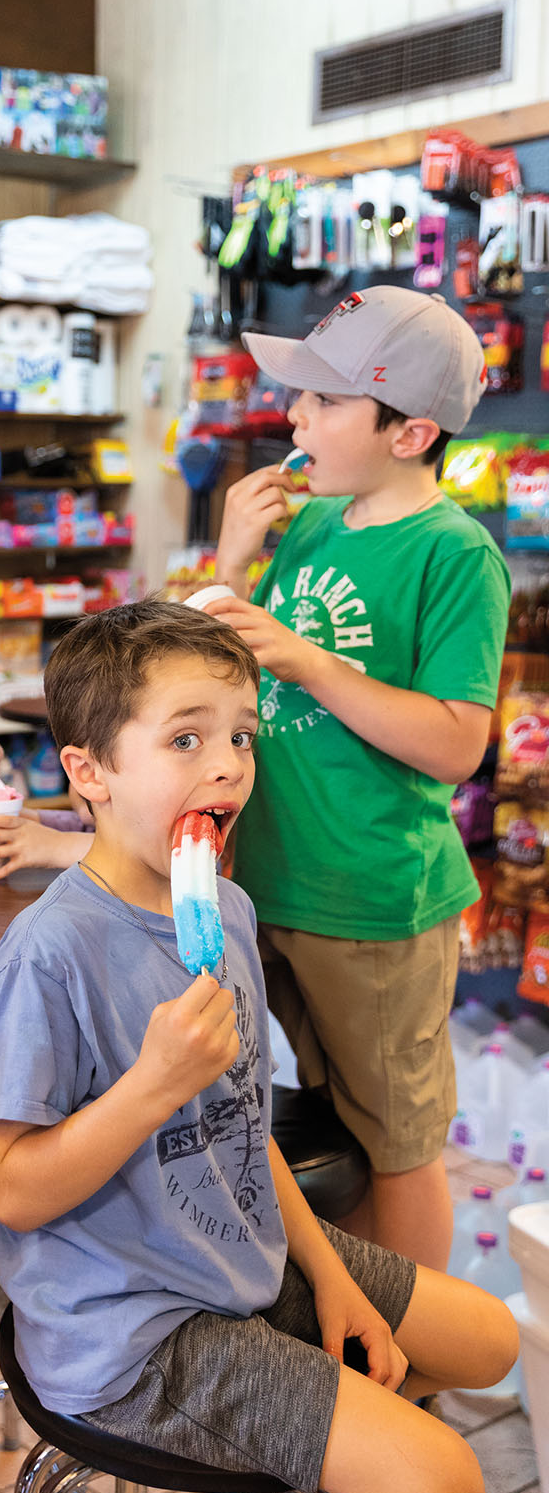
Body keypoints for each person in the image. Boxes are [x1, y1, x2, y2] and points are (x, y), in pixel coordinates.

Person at [0, 599, 518, 1493]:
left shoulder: (224, 910)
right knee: (442, 1487)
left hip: (241, 1259)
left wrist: (325, 1272)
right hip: (131, 1328)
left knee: (490, 1337)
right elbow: (12, 1187)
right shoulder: (53, 954)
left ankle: (334, 1459)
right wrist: (151, 1081)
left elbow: (239, 1126)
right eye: (185, 737)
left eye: (240, 734)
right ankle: (355, 1490)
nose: (227, 764)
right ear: (88, 772)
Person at [211, 287, 511, 1271]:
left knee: (399, 1148)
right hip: (275, 881)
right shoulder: (313, 525)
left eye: (323, 402)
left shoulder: (455, 554)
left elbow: (459, 743)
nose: (294, 417)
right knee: (340, 1127)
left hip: (376, 899)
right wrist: (228, 558)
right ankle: (360, 1331)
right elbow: (210, 676)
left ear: (409, 431)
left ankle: (420, 1367)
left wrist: (311, 663)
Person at [0, 731, 94, 880]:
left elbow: (117, 855)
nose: (85, 775)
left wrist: (59, 846)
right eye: (84, 765)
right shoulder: (82, 825)